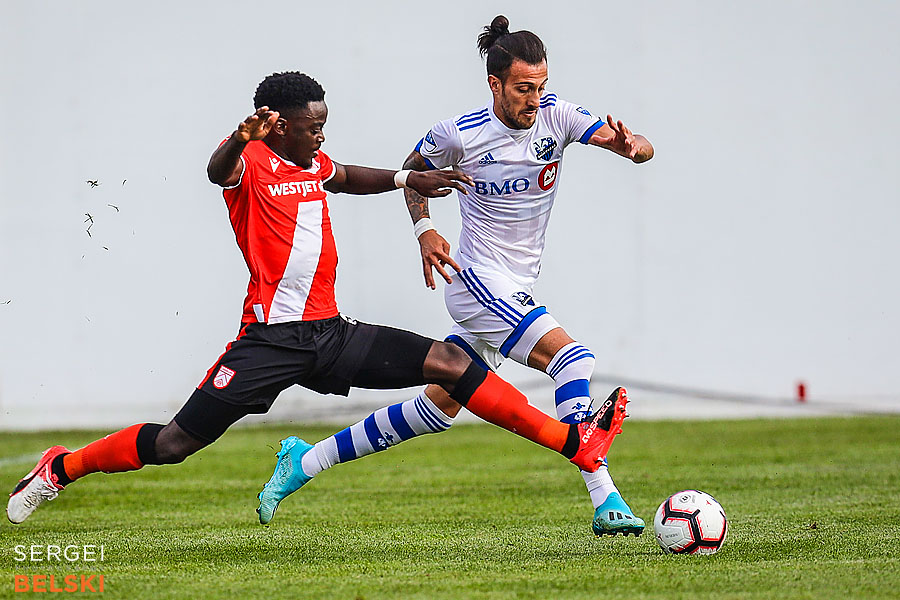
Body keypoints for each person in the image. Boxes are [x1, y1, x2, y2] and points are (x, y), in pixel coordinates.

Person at [7, 71, 625, 526]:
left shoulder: (310, 162)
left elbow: (351, 177)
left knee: (452, 365)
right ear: (276, 124)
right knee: (174, 445)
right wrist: (239, 134)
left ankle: (573, 444)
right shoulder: (248, 160)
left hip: (329, 334)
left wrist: (414, 179)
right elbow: (215, 169)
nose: (320, 136)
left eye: (324, 126)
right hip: (269, 341)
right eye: (312, 126)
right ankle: (61, 467)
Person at [268, 18, 654, 537]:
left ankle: (305, 461)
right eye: (523, 88)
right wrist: (425, 229)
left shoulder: (558, 116)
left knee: (441, 402)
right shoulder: (460, 133)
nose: (534, 99)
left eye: (540, 86)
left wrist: (633, 147)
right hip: (475, 282)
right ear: (495, 84)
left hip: (515, 285)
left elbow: (637, 145)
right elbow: (411, 173)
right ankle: (602, 491)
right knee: (572, 358)